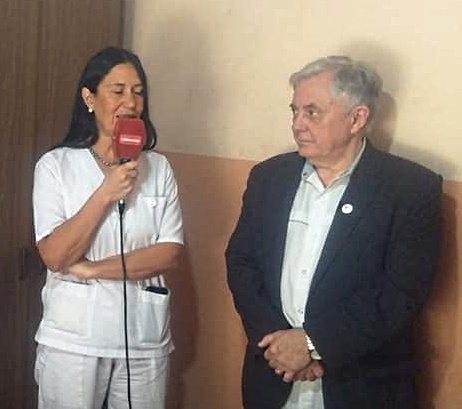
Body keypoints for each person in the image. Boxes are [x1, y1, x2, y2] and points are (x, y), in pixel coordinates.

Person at [225, 56, 442, 409]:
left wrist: (312, 344)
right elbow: (241, 261)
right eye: (294, 111)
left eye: (312, 112)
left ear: (357, 118)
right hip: (273, 376)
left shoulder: (410, 189)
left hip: (362, 384)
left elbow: (401, 292)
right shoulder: (269, 178)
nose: (297, 124)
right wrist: (278, 345)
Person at [32, 46, 183, 409]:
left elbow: (168, 253)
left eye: (138, 92)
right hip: (73, 340)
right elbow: (55, 255)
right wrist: (105, 193)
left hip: (143, 339)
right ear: (89, 97)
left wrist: (92, 269)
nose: (130, 102)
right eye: (118, 91)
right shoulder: (55, 166)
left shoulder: (158, 168)